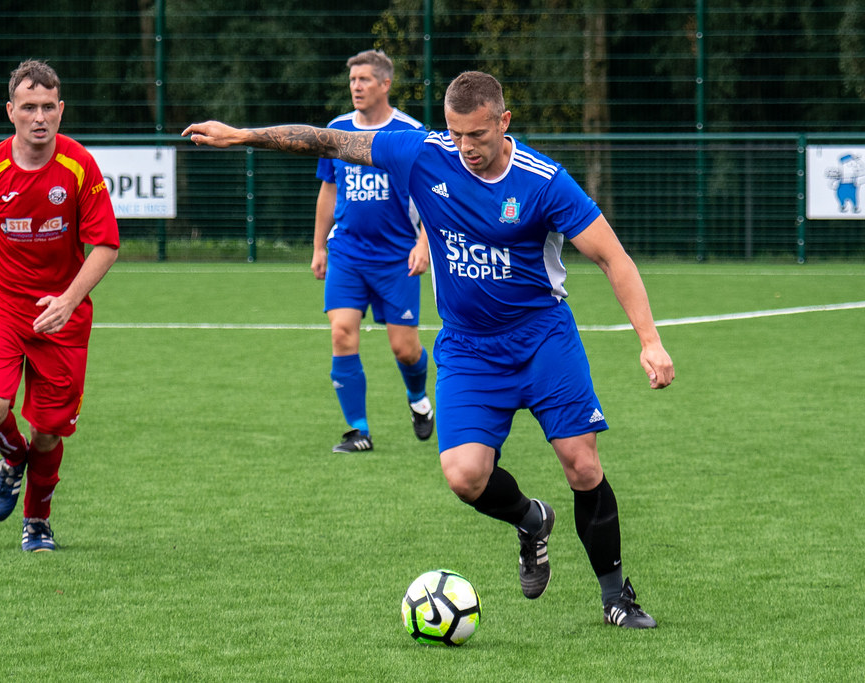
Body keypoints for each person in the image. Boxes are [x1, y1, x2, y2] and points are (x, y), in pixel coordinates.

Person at [183, 70, 675, 628]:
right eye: (456, 133)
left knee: (582, 465)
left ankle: (615, 597)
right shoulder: (421, 154)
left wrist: (650, 342)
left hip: (542, 339)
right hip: (468, 348)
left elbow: (613, 258)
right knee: (464, 476)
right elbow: (329, 141)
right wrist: (243, 136)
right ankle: (531, 520)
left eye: (478, 135)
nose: (466, 147)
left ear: (504, 122)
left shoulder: (544, 183)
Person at [0, 60, 119, 552]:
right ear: (10, 111)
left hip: (62, 317)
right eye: (29, 107)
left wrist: (69, 300)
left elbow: (106, 245)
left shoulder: (79, 166)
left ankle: (37, 521)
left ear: (61, 110)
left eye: (48, 107)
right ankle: (12, 459)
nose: (39, 117)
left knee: (50, 433)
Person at [312, 49, 433, 453]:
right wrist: (319, 247)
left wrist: (423, 244)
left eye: (364, 79)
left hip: (397, 257)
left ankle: (418, 400)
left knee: (405, 349)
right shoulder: (337, 130)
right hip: (346, 252)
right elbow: (328, 190)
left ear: (385, 84)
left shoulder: (411, 133)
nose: (356, 86)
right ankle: (358, 430)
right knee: (342, 332)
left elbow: (433, 196)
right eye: (352, 80)